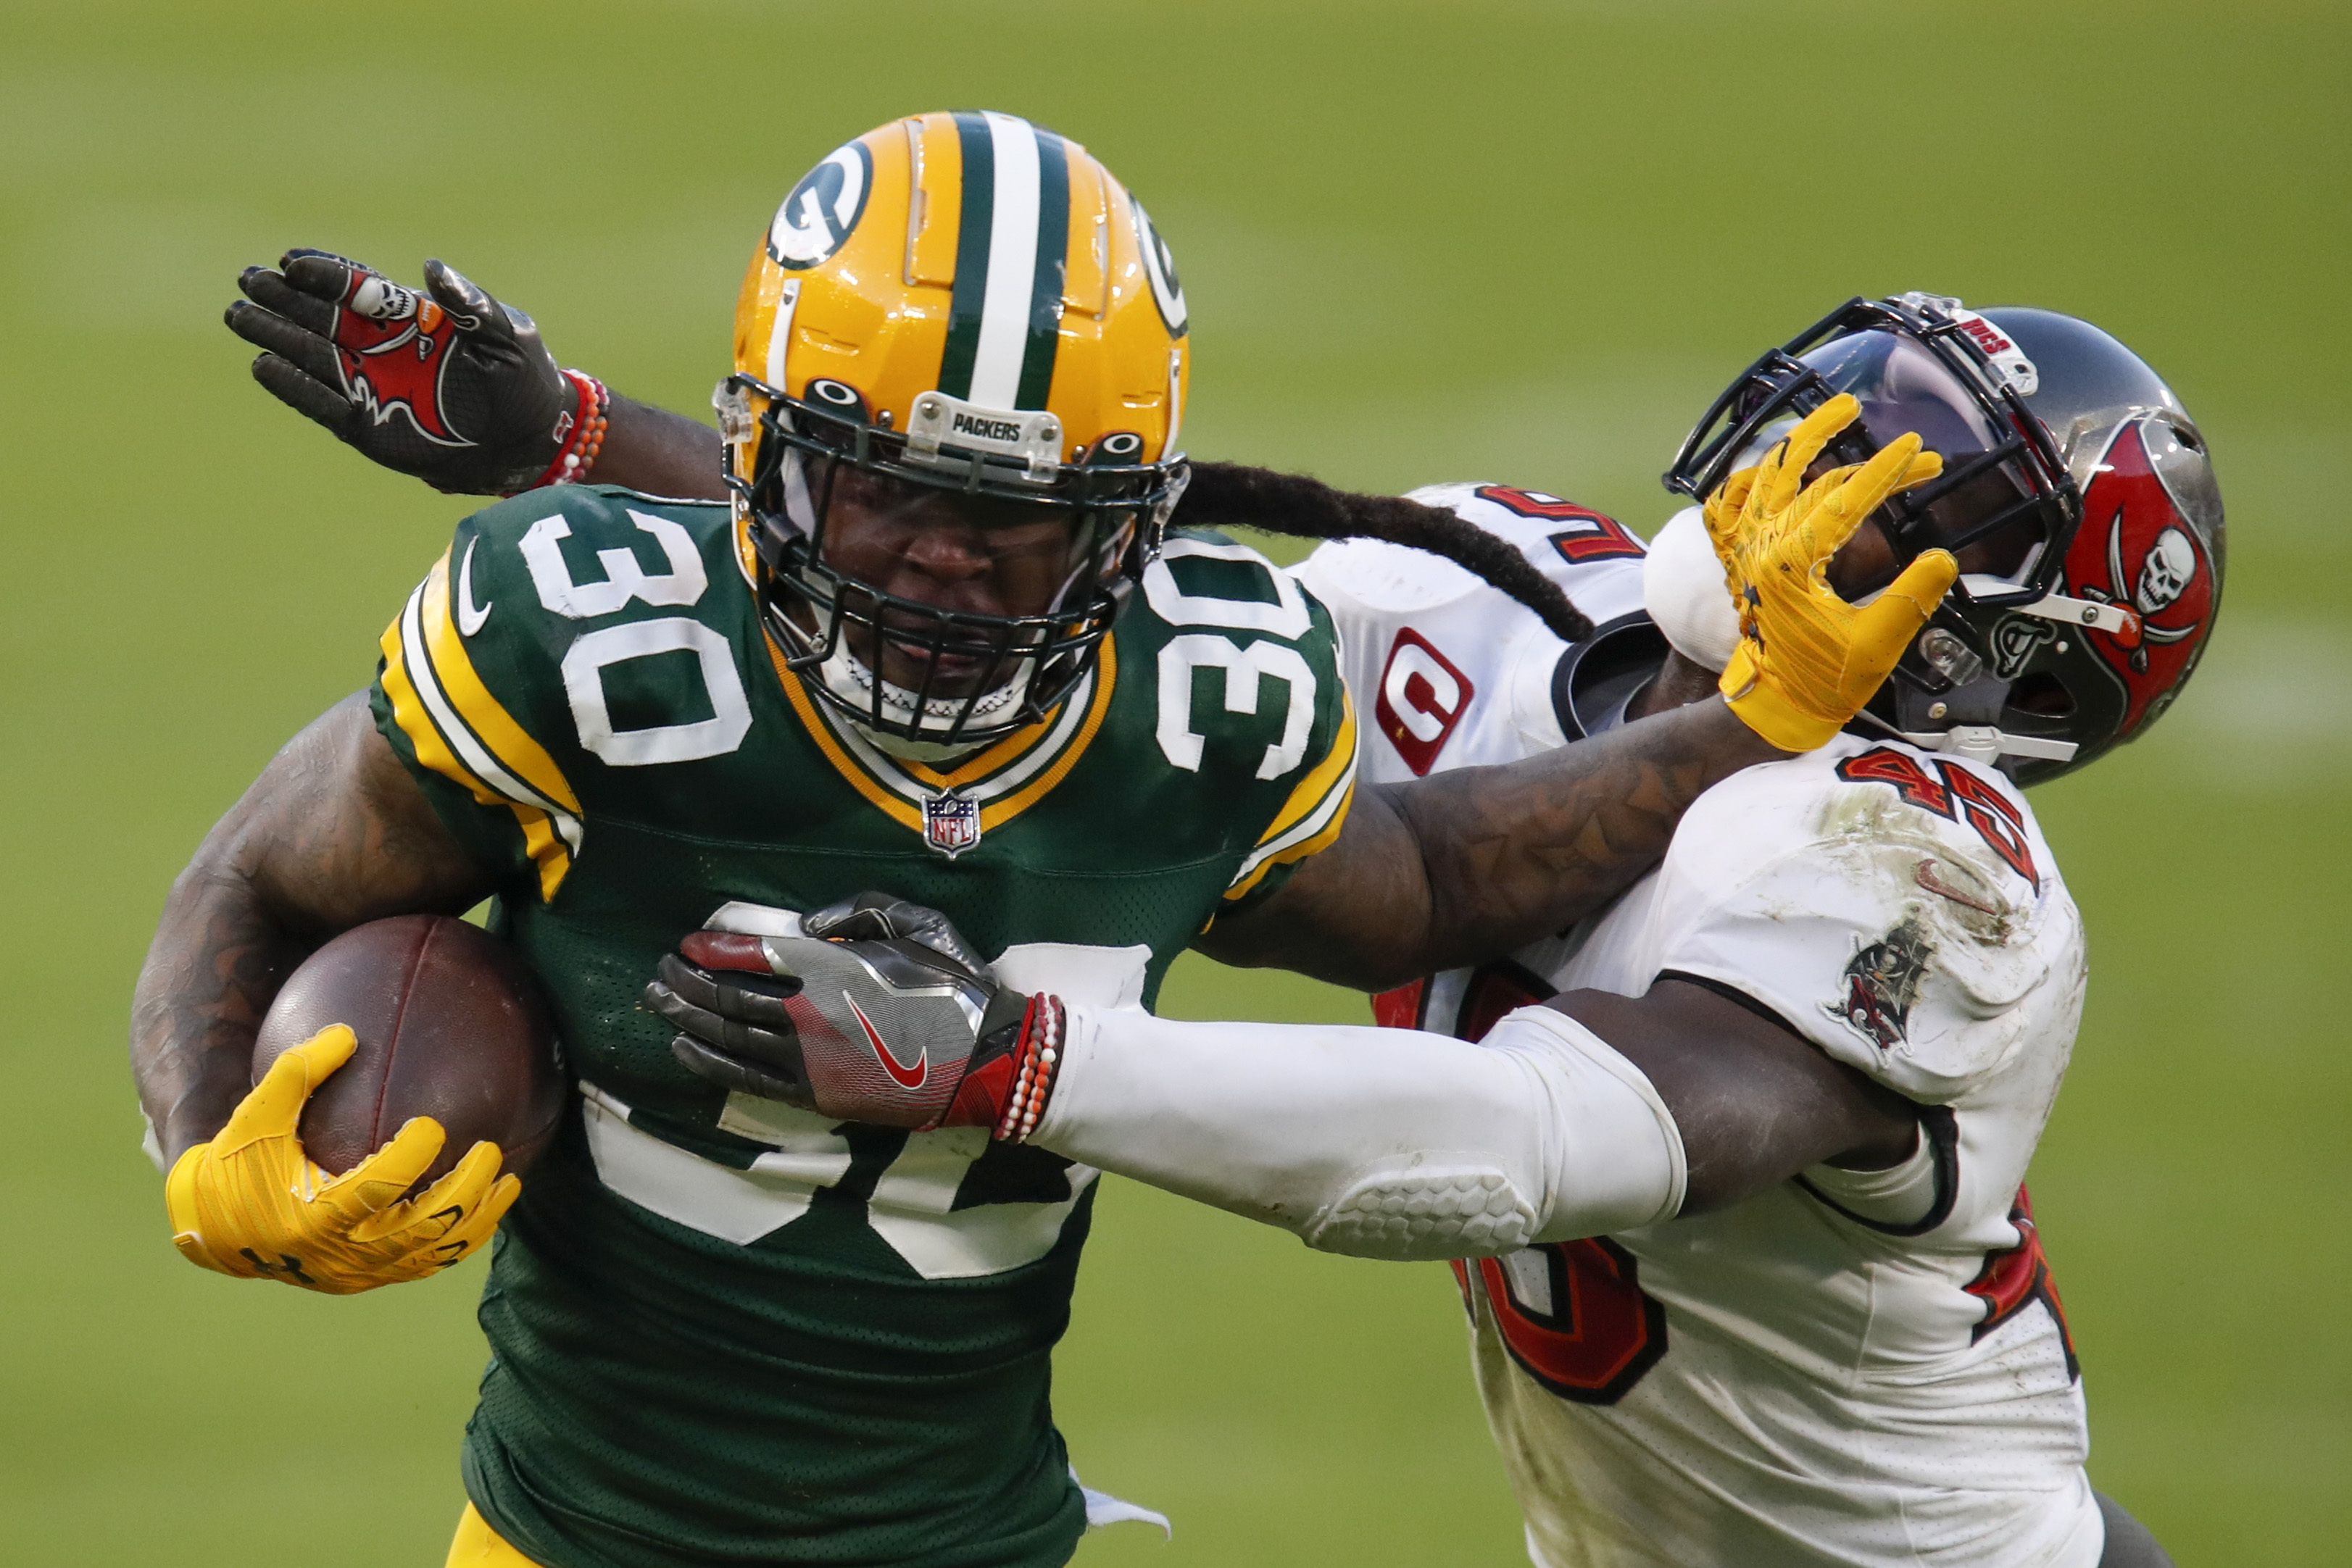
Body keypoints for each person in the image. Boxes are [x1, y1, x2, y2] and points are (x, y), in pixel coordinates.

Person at [144, 114, 1945, 1568]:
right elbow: (257, 878)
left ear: (1133, 521)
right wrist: (207, 1141)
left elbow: (1438, 877)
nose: (945, 560)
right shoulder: (586, 648)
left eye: (1018, 520)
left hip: (974, 1537)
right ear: (770, 459)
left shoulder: (1198, 705)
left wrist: (1757, 718)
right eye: (891, 492)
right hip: (566, 1535)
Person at [659, 295, 2216, 1567]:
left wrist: (1012, 1061)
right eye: (1856, 413)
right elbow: (1036, 614)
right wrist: (576, 441)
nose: (1821, 469)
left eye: (1914, 489)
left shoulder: (1925, 873)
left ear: (2003, 660)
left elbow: (1530, 1137)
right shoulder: (1487, 590)